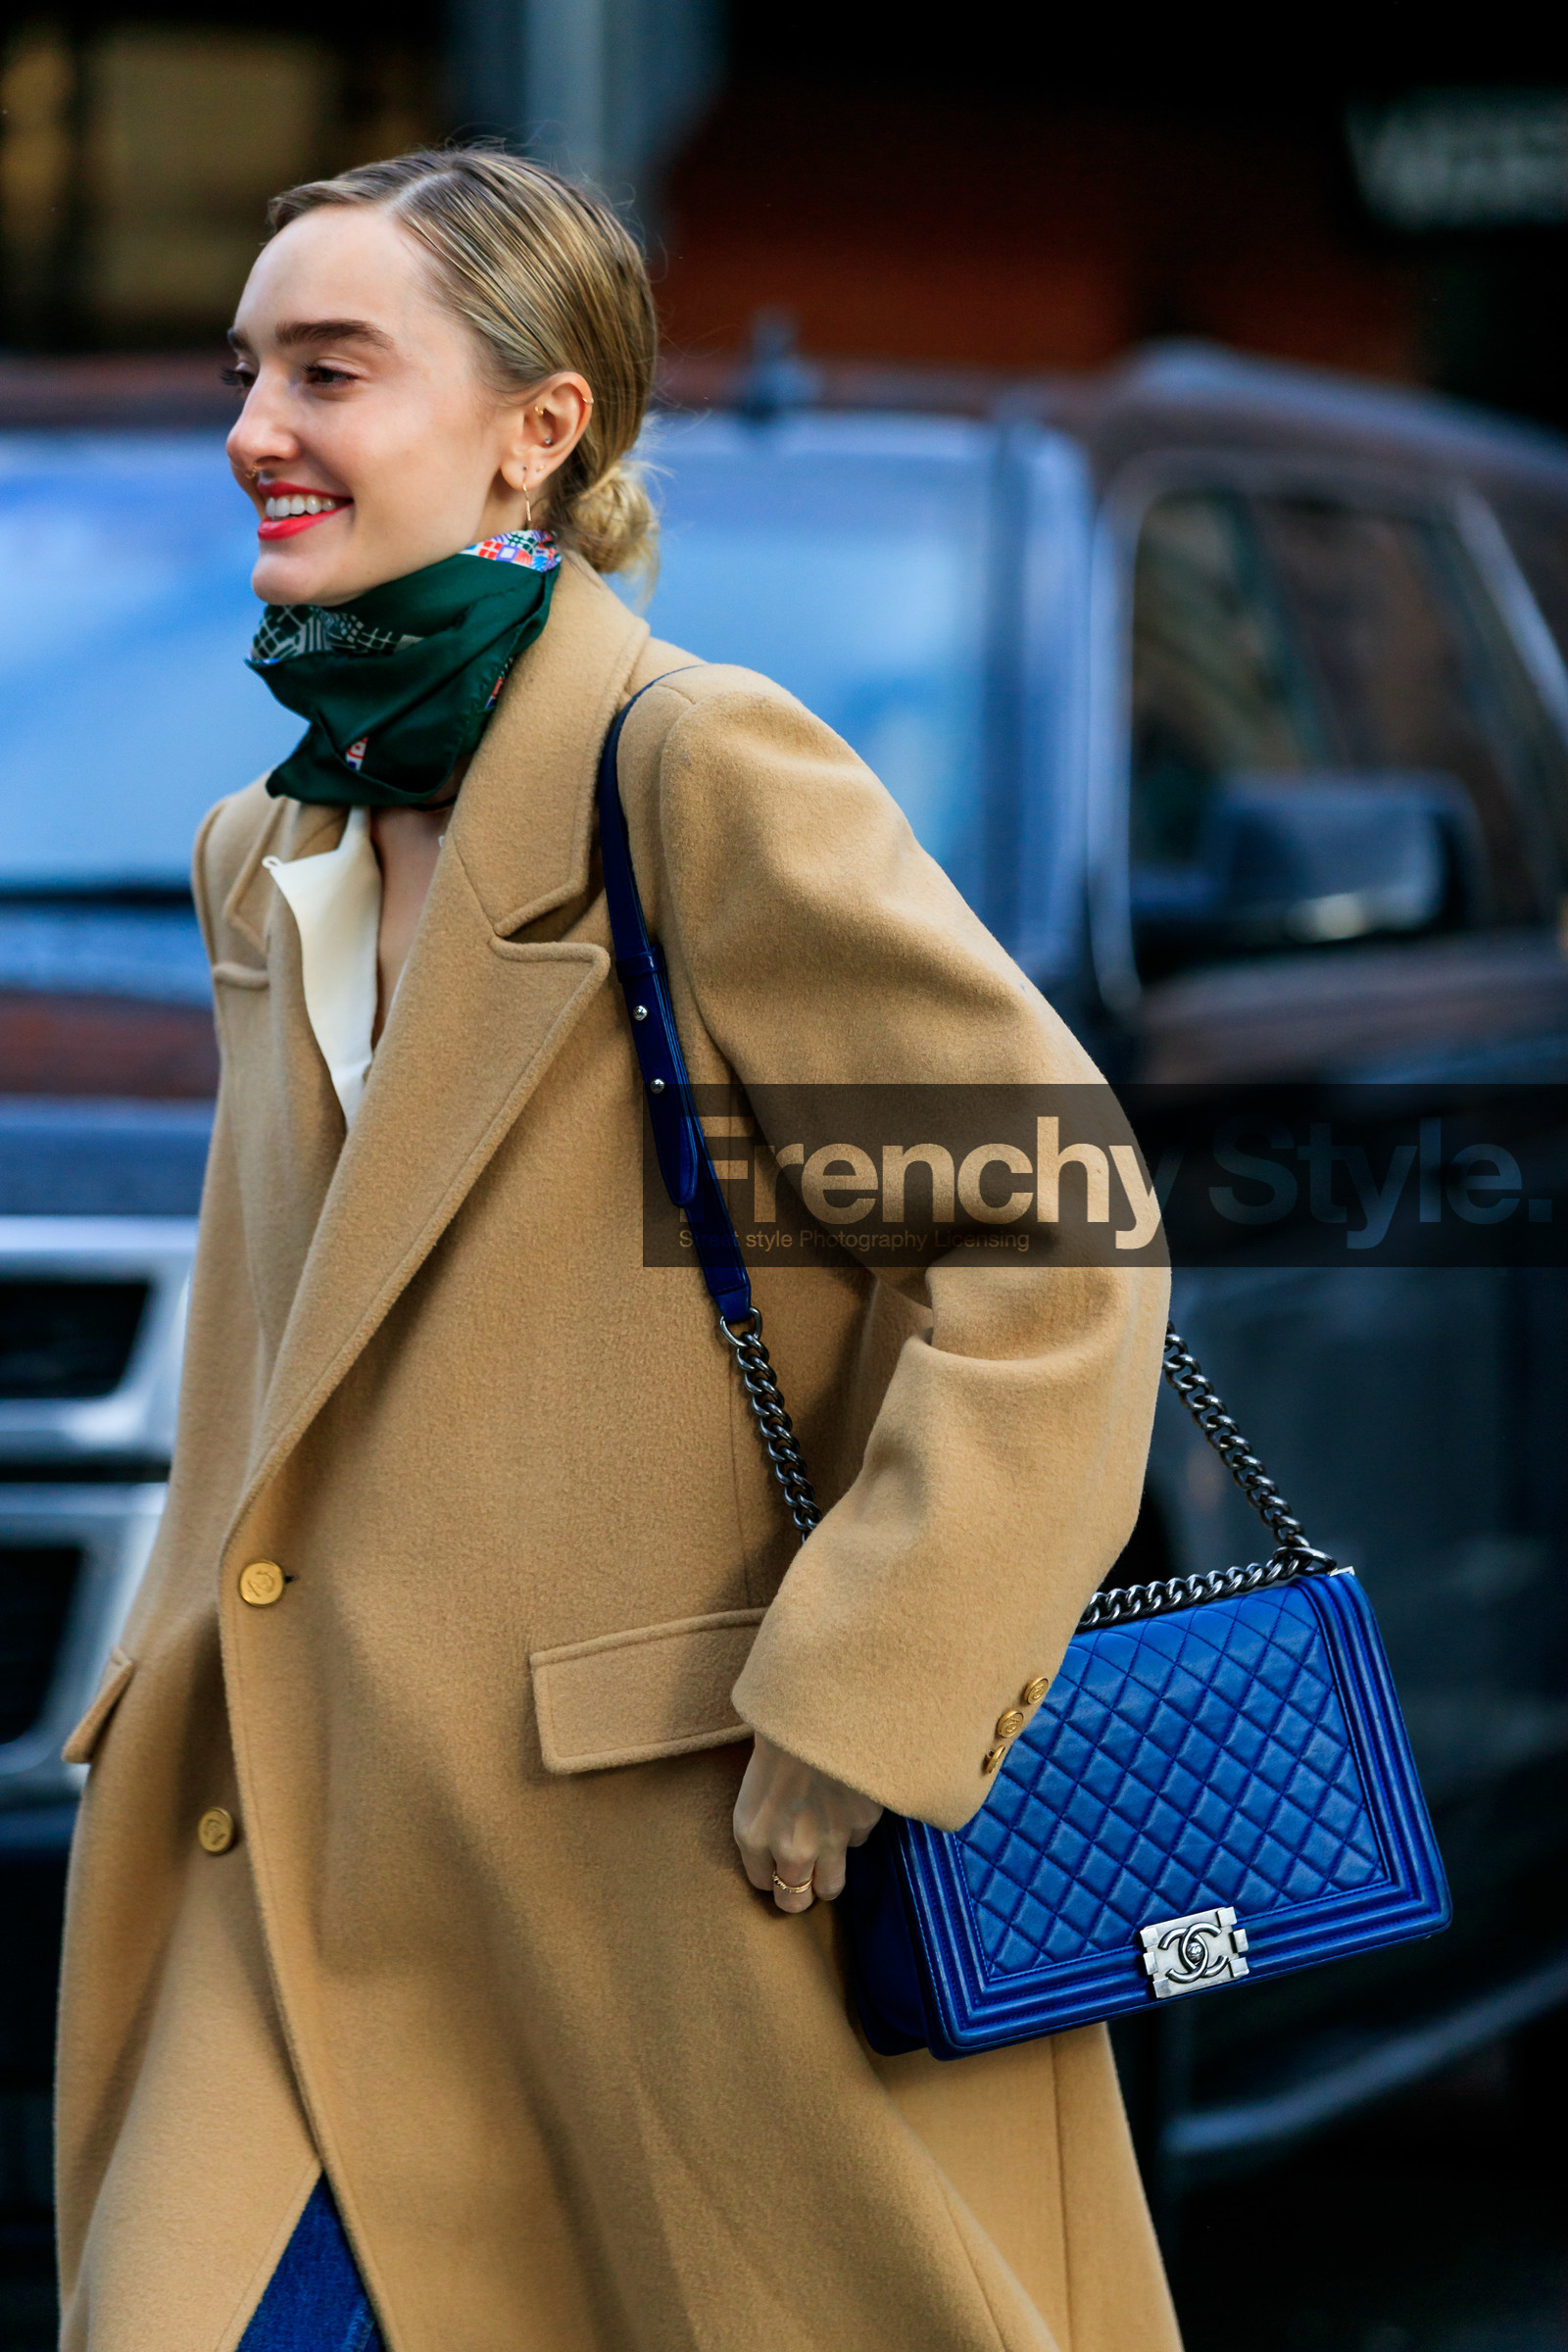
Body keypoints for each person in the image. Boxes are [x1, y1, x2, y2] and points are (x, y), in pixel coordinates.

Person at [54, 147, 1178, 2352]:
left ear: (536, 427)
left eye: (330, 369)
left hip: (659, 1878)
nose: (256, 426)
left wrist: (865, 1702)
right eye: (245, 369)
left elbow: (1053, 1226)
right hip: (275, 1861)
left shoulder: (694, 770)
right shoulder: (263, 847)